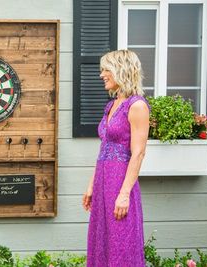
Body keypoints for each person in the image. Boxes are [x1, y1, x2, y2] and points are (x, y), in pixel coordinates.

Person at [82, 49, 150, 266]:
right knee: (102, 238)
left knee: (121, 238)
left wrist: (124, 194)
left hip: (120, 182)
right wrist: (91, 186)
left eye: (106, 69)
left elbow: (138, 153)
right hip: (103, 181)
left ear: (121, 70)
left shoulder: (137, 105)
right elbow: (103, 148)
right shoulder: (111, 106)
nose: (102, 74)